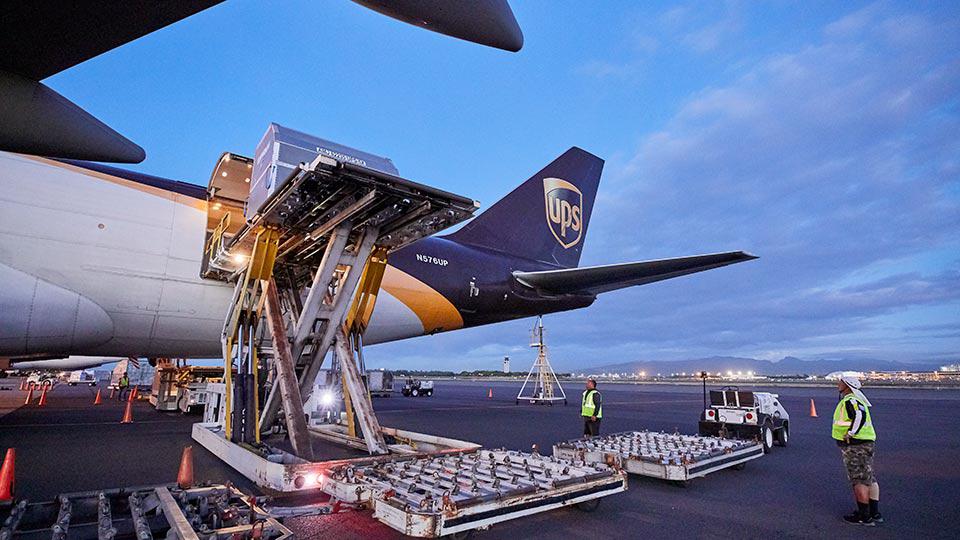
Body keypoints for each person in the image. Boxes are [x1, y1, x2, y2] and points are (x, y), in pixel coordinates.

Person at [833, 375, 881, 526]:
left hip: (856, 446)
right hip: (865, 444)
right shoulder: (857, 399)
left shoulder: (851, 400)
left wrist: (851, 433)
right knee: (869, 478)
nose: (837, 385)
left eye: (840, 382)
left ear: (847, 385)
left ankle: (864, 516)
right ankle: (874, 513)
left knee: (859, 480)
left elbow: (859, 415)